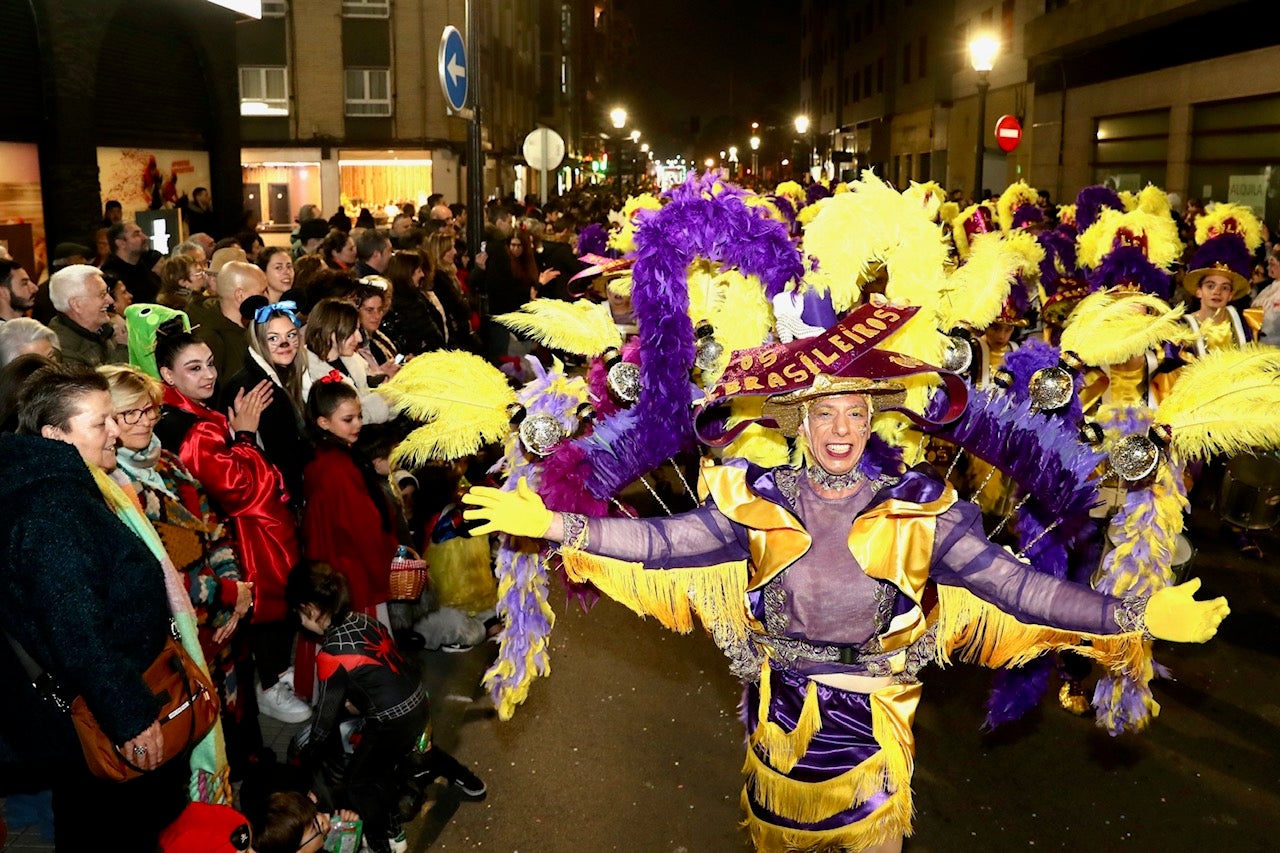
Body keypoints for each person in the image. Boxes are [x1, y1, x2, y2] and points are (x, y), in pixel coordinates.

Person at [461, 360, 1228, 852]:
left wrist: (1134, 616)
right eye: (826, 413)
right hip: (777, 725)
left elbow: (1018, 587)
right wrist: (557, 525)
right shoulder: (754, 500)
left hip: (872, 734)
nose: (841, 429)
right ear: (799, 422)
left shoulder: (920, 510)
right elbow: (663, 544)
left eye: (856, 414)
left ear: (872, 423)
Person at [0, 365, 192, 849]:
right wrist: (131, 717)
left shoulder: (59, 489)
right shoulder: (54, 510)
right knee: (112, 831)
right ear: (54, 433)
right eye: (100, 422)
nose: (116, 431)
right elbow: (78, 630)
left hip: (99, 702)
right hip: (102, 714)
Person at [102, 363, 263, 776]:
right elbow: (153, 576)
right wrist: (227, 596)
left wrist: (235, 594)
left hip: (220, 624)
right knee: (196, 747)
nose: (143, 421)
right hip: (176, 635)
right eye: (129, 414)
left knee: (234, 729)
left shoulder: (169, 463)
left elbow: (216, 529)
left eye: (149, 410)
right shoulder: (110, 488)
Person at [151, 324, 310, 726]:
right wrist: (244, 435)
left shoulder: (189, 412)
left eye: (209, 364)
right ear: (168, 377)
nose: (208, 375)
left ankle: (268, 683)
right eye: (193, 369)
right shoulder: (193, 427)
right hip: (224, 545)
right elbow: (238, 488)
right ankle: (267, 690)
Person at [286, 562, 484, 853]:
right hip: (418, 699)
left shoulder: (330, 655)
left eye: (297, 612)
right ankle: (468, 778)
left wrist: (305, 754)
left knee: (357, 784)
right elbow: (384, 672)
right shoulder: (365, 621)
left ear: (310, 608)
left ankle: (382, 843)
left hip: (391, 720)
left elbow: (324, 723)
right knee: (421, 751)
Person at [301, 379, 396, 620]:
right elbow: (362, 528)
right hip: (353, 573)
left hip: (337, 569)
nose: (358, 424)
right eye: (348, 419)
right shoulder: (338, 469)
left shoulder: (326, 458)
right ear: (323, 422)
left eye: (359, 416)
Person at [221, 299, 314, 509]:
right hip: (272, 503)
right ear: (259, 341)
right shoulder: (255, 389)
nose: (285, 344)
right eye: (273, 338)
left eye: (291, 335)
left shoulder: (291, 376)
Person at [301, 297, 393, 424]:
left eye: (358, 329)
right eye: (352, 331)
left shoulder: (354, 360)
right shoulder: (309, 374)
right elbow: (347, 421)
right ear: (331, 332)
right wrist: (386, 396)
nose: (359, 338)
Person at [188, 261, 269, 388]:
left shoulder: (255, 328)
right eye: (263, 291)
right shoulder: (209, 340)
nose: (267, 298)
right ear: (240, 295)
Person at [47, 263, 128, 367]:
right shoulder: (63, 352)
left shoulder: (107, 330)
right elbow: (110, 382)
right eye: (102, 294)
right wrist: (123, 348)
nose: (110, 300)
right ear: (77, 305)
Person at [380, 249, 448, 356]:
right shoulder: (411, 303)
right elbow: (434, 339)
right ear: (407, 273)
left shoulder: (410, 297)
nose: (422, 275)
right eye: (418, 271)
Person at [101, 221, 163, 304]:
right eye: (136, 235)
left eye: (142, 233)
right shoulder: (111, 279)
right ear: (121, 243)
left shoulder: (146, 268)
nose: (145, 237)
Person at [353, 279, 401, 383]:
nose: (377, 316)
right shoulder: (353, 345)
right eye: (369, 310)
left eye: (380, 310)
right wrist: (381, 375)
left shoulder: (378, 337)